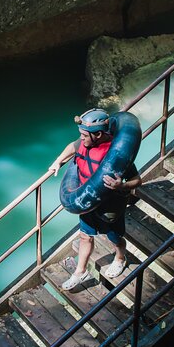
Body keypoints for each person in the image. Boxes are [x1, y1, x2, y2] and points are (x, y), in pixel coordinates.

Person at [49, 108, 142, 290]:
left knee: (114, 237)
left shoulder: (116, 155)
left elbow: (137, 180)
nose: (81, 139)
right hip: (87, 202)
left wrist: (121, 186)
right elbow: (72, 146)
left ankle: (120, 258)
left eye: (84, 135)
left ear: (98, 134)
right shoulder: (84, 144)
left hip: (110, 205)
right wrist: (58, 161)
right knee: (85, 236)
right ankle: (80, 272)